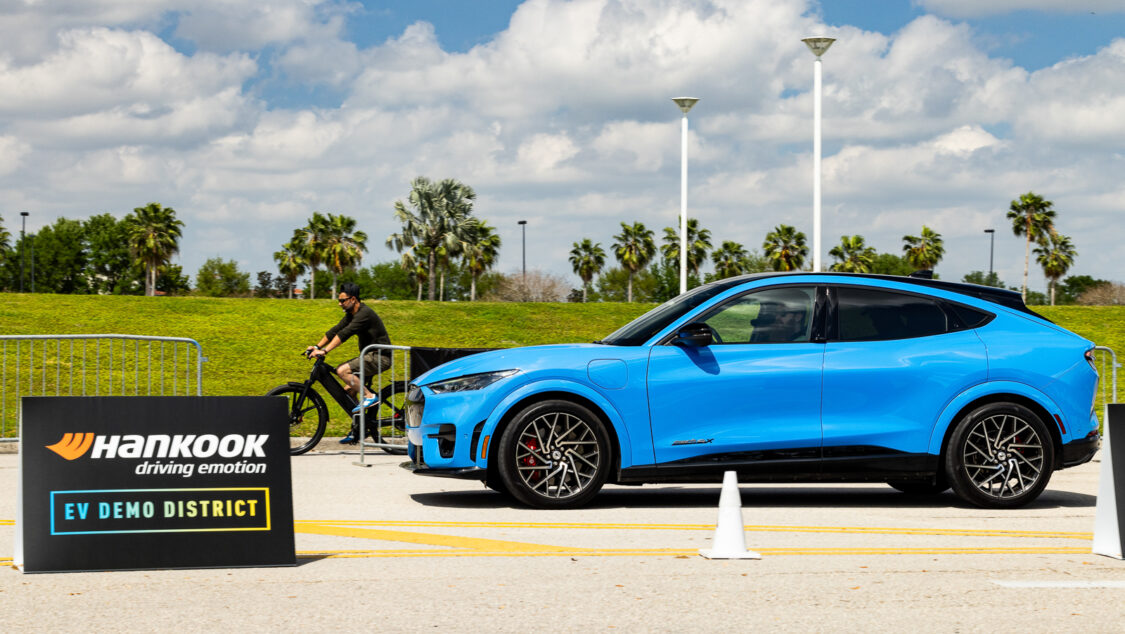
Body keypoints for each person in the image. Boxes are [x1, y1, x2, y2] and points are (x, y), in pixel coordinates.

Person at [306, 282, 392, 443]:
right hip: (369, 357)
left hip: (380, 357)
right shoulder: (351, 314)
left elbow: (345, 334)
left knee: (342, 371)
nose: (339, 304)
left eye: (342, 300)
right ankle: (358, 431)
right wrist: (317, 346)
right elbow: (335, 331)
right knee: (349, 392)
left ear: (353, 299)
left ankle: (369, 396)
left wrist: (324, 351)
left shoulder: (364, 314)